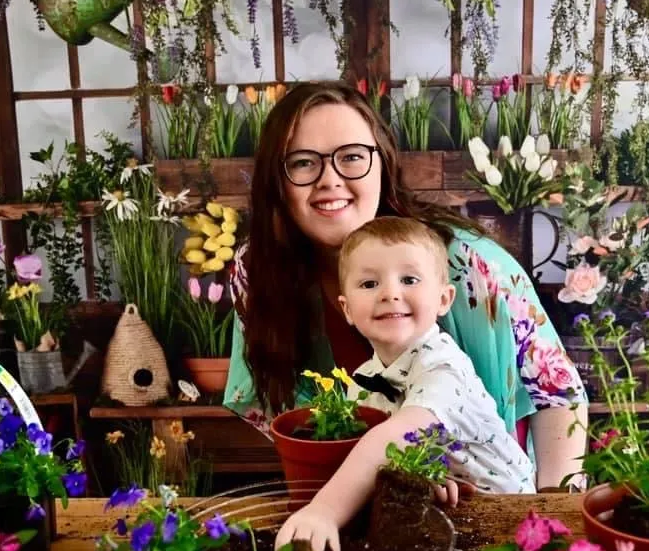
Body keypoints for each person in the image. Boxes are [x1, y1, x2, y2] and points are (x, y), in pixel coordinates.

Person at [223, 80, 588, 490]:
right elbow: (273, 403)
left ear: (383, 163)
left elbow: (557, 393)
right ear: (277, 179)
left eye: (352, 157)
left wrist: (553, 511)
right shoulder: (258, 270)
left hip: (492, 491)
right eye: (303, 162)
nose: (330, 179)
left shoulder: (467, 263)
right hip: (355, 490)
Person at [274, 216, 537, 551]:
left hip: (512, 517)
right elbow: (380, 463)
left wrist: (324, 510)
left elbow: (397, 436)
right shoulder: (366, 378)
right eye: (369, 284)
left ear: (444, 299)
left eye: (409, 279)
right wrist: (424, 479)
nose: (389, 293)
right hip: (451, 515)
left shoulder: (444, 368)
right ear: (347, 309)